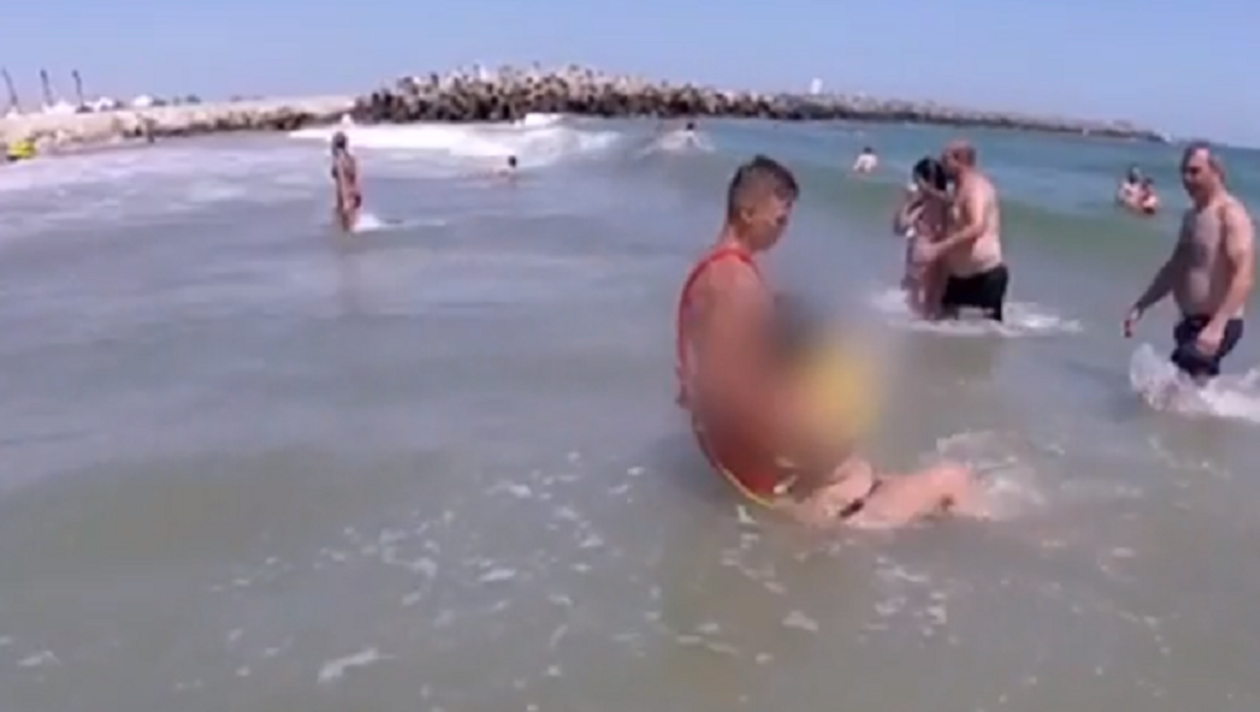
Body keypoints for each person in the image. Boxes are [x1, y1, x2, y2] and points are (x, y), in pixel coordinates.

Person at [675, 155, 985, 529]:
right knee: (954, 481)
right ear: (748, 212)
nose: (783, 231)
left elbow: (703, 380)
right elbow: (737, 399)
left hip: (761, 475)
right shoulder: (738, 284)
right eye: (779, 219)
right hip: (798, 497)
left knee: (887, 478)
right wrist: (821, 448)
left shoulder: (706, 273)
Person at [1124, 142, 1254, 384]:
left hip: (1218, 323)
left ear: (1216, 171)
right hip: (1190, 324)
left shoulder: (1230, 214)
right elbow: (1175, 268)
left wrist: (1217, 326)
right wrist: (1141, 306)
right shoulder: (1192, 216)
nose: (1187, 179)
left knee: (1170, 390)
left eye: (1195, 171)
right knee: (1189, 392)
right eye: (1184, 171)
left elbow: (1244, 276)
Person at [916, 140, 1008, 322]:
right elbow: (955, 205)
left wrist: (938, 248)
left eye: (945, 160)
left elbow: (976, 226)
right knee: (940, 326)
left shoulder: (976, 187)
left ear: (959, 160)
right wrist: (929, 193)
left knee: (983, 334)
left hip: (984, 276)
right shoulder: (960, 188)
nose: (941, 165)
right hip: (958, 278)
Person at [893, 156, 951, 317]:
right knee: (933, 304)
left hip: (922, 249)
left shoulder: (920, 199)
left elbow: (900, 227)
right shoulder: (948, 198)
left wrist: (912, 201)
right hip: (944, 250)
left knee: (917, 304)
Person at [329, 131, 361, 232]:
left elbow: (342, 180)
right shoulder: (352, 159)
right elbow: (357, 177)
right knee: (352, 228)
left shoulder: (339, 161)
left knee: (344, 230)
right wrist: (357, 194)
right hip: (353, 194)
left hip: (343, 196)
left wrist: (344, 202)